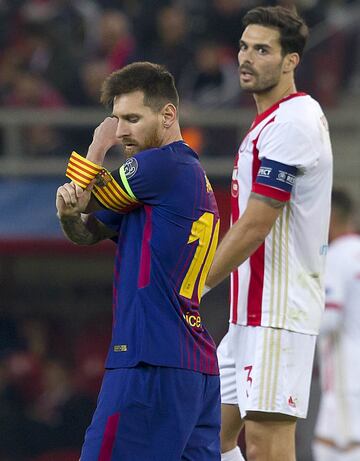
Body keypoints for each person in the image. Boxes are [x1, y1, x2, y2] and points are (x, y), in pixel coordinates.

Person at [55, 62, 221, 460]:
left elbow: (80, 196)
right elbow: (89, 230)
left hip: (149, 361)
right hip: (195, 368)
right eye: (115, 121)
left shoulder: (158, 165)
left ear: (168, 115)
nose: (120, 131)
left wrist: (96, 146)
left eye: (131, 118)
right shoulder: (175, 177)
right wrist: (66, 219)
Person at [203, 6, 333, 461]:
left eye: (262, 49)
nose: (247, 57)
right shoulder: (270, 121)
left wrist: (197, 283)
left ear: (291, 60)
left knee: (266, 446)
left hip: (278, 314)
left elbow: (259, 221)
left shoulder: (295, 122)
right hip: (246, 319)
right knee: (206, 439)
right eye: (243, 46)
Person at [313, 189, 360, 461]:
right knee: (329, 448)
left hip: (347, 378)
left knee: (342, 452)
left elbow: (328, 320)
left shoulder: (338, 256)